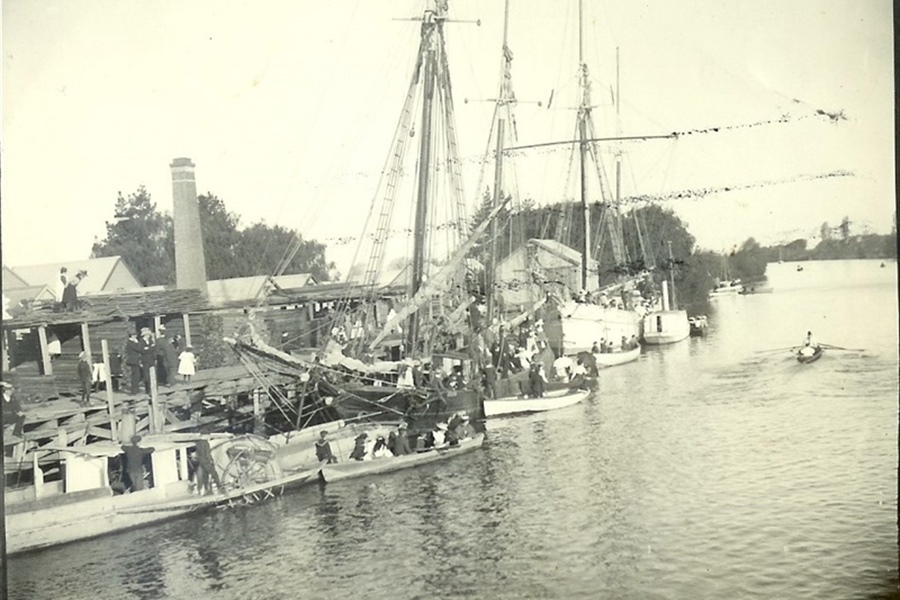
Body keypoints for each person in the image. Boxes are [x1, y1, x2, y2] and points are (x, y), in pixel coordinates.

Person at [139, 328, 156, 393]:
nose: (149, 336)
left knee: (153, 374)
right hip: (145, 360)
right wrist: (149, 348)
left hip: (151, 359)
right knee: (146, 375)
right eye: (148, 335)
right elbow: (142, 350)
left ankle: (153, 388)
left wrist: (148, 348)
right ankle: (147, 389)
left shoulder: (150, 341)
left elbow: (153, 349)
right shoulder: (141, 342)